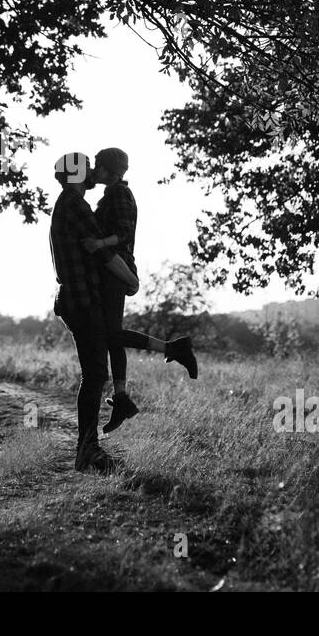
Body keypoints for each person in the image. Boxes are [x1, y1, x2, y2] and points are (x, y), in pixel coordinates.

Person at [89, 147, 197, 436]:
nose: (94, 170)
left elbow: (123, 232)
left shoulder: (119, 194)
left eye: (98, 166)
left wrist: (99, 245)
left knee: (112, 334)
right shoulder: (111, 193)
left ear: (110, 170)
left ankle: (174, 347)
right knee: (113, 335)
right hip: (109, 268)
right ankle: (121, 399)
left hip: (116, 267)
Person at [48, 152, 138, 473]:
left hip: (80, 300)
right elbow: (104, 251)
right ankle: (88, 451)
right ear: (74, 173)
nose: (89, 171)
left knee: (95, 373)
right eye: (85, 166)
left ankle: (88, 449)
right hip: (82, 301)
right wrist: (131, 280)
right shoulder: (75, 204)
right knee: (95, 374)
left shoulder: (71, 203)